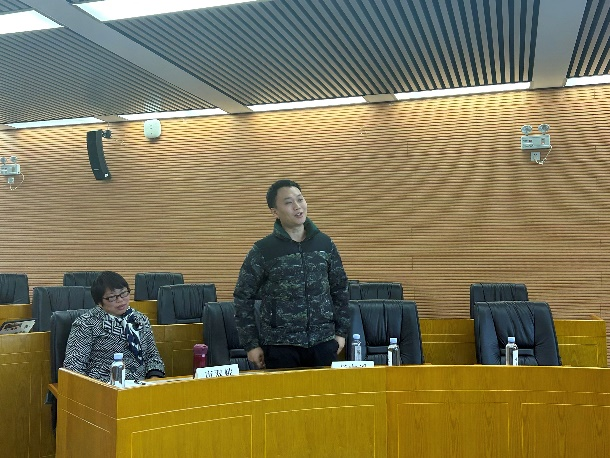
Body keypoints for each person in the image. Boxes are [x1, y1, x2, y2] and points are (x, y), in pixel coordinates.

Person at [234, 179, 350, 370]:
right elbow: (242, 297)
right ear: (275, 212)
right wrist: (251, 344)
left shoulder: (325, 244)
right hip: (280, 346)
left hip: (322, 342)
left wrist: (341, 333)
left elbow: (340, 289)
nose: (297, 206)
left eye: (300, 199)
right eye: (288, 202)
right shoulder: (263, 250)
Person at [63, 271, 165, 382]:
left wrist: (154, 379)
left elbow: (152, 355)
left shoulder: (140, 319)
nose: (120, 300)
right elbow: (74, 367)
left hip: (141, 386)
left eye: (124, 293)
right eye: (112, 297)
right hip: (103, 386)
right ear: (99, 302)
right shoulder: (86, 323)